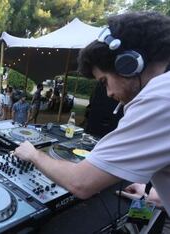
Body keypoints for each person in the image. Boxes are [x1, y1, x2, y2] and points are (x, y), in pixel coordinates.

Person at [14, 12, 170, 216]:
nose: (109, 93)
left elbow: (81, 183)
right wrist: (159, 194)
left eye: (104, 81)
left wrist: (33, 155)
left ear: (129, 63)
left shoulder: (159, 99)